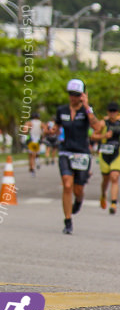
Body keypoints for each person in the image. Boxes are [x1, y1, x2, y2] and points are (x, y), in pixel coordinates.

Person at [50, 79, 102, 234]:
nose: (73, 97)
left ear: (83, 95)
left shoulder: (86, 111)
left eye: (77, 94)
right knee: (67, 184)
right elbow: (56, 127)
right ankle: (67, 221)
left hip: (82, 153)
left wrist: (87, 107)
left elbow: (97, 127)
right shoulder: (62, 110)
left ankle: (78, 200)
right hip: (65, 151)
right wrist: (51, 130)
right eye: (71, 94)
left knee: (78, 189)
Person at [94, 101, 120, 214]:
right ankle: (103, 194)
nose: (112, 114)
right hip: (104, 154)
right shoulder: (103, 123)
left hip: (117, 153)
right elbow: (93, 136)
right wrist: (104, 136)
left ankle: (113, 203)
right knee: (106, 179)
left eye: (114, 111)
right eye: (110, 111)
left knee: (114, 177)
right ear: (107, 112)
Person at [21, 111, 43, 176]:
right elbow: (45, 131)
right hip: (38, 140)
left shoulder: (29, 123)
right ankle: (36, 163)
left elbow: (24, 130)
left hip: (31, 140)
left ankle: (32, 168)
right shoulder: (41, 123)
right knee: (35, 154)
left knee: (31, 155)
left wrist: (26, 133)